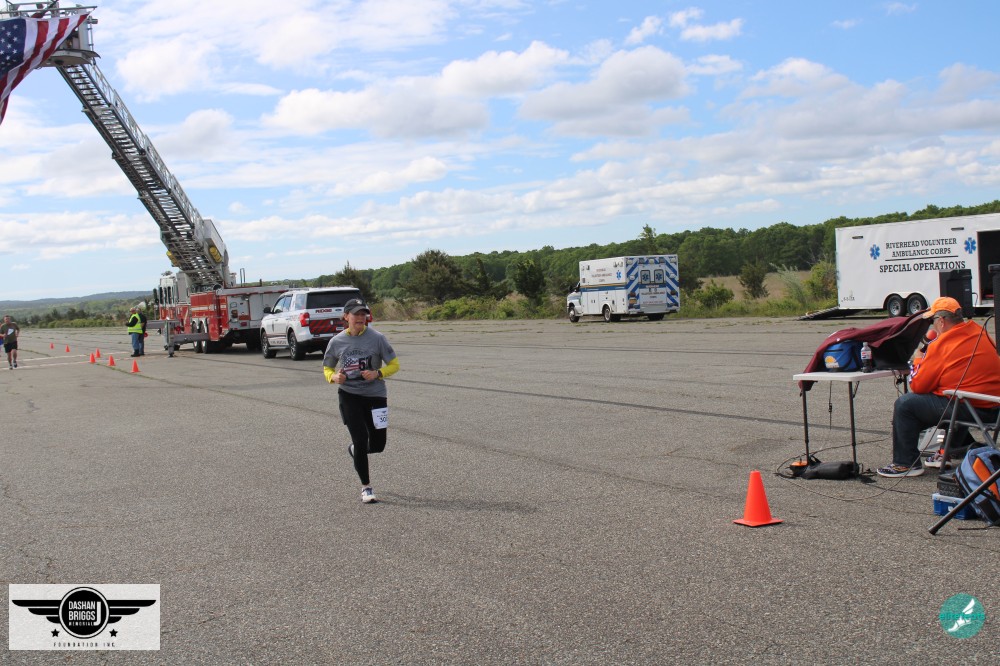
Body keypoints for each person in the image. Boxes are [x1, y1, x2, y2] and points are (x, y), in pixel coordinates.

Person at [877, 297, 1000, 478]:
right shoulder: (980, 333)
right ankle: (947, 451)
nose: (932, 326)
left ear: (941, 321)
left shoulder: (942, 344)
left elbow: (918, 385)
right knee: (951, 396)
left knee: (905, 405)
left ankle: (905, 463)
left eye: (932, 321)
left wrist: (918, 359)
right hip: (994, 408)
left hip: (971, 408)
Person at [323, 298, 399, 503]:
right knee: (360, 438)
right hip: (349, 395)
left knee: (378, 444)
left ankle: (355, 451)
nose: (360, 317)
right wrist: (333, 377)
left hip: (375, 395)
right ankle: (366, 487)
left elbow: (395, 364)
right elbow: (327, 367)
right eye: (356, 314)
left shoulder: (377, 338)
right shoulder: (336, 341)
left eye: (363, 314)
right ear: (346, 316)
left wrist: (378, 373)